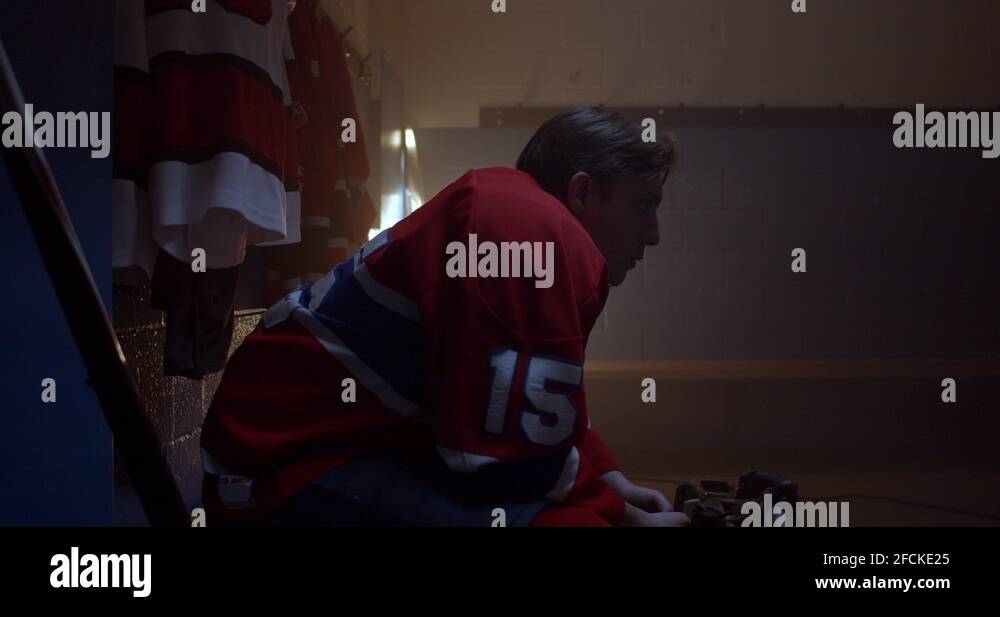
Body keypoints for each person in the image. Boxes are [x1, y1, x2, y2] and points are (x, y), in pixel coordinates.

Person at [199, 106, 689, 527]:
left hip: (306, 445)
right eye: (644, 205)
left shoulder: (521, 215)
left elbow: (528, 413)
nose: (654, 234)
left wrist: (607, 479)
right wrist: (618, 513)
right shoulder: (527, 230)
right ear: (582, 193)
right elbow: (494, 463)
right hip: (276, 463)